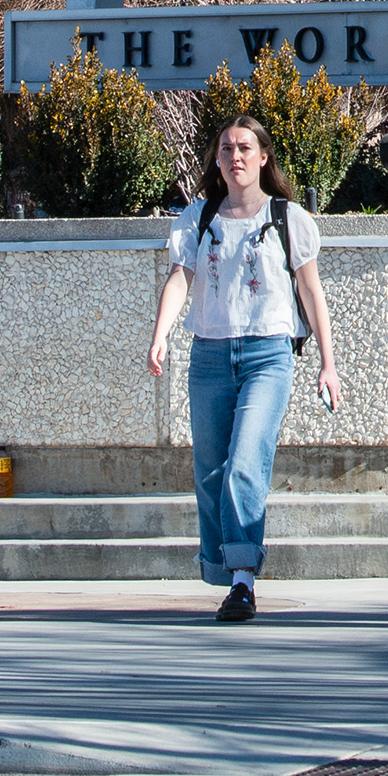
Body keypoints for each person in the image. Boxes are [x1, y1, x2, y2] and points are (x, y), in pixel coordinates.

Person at [149, 113, 340, 618]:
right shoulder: (198, 218)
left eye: (245, 149)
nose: (236, 157)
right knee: (211, 472)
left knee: (245, 462)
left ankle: (241, 579)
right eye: (227, 148)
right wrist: (161, 334)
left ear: (262, 157)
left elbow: (311, 291)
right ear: (217, 158)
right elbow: (179, 278)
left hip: (268, 355)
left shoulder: (287, 217)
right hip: (209, 355)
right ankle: (222, 566)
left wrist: (328, 362)